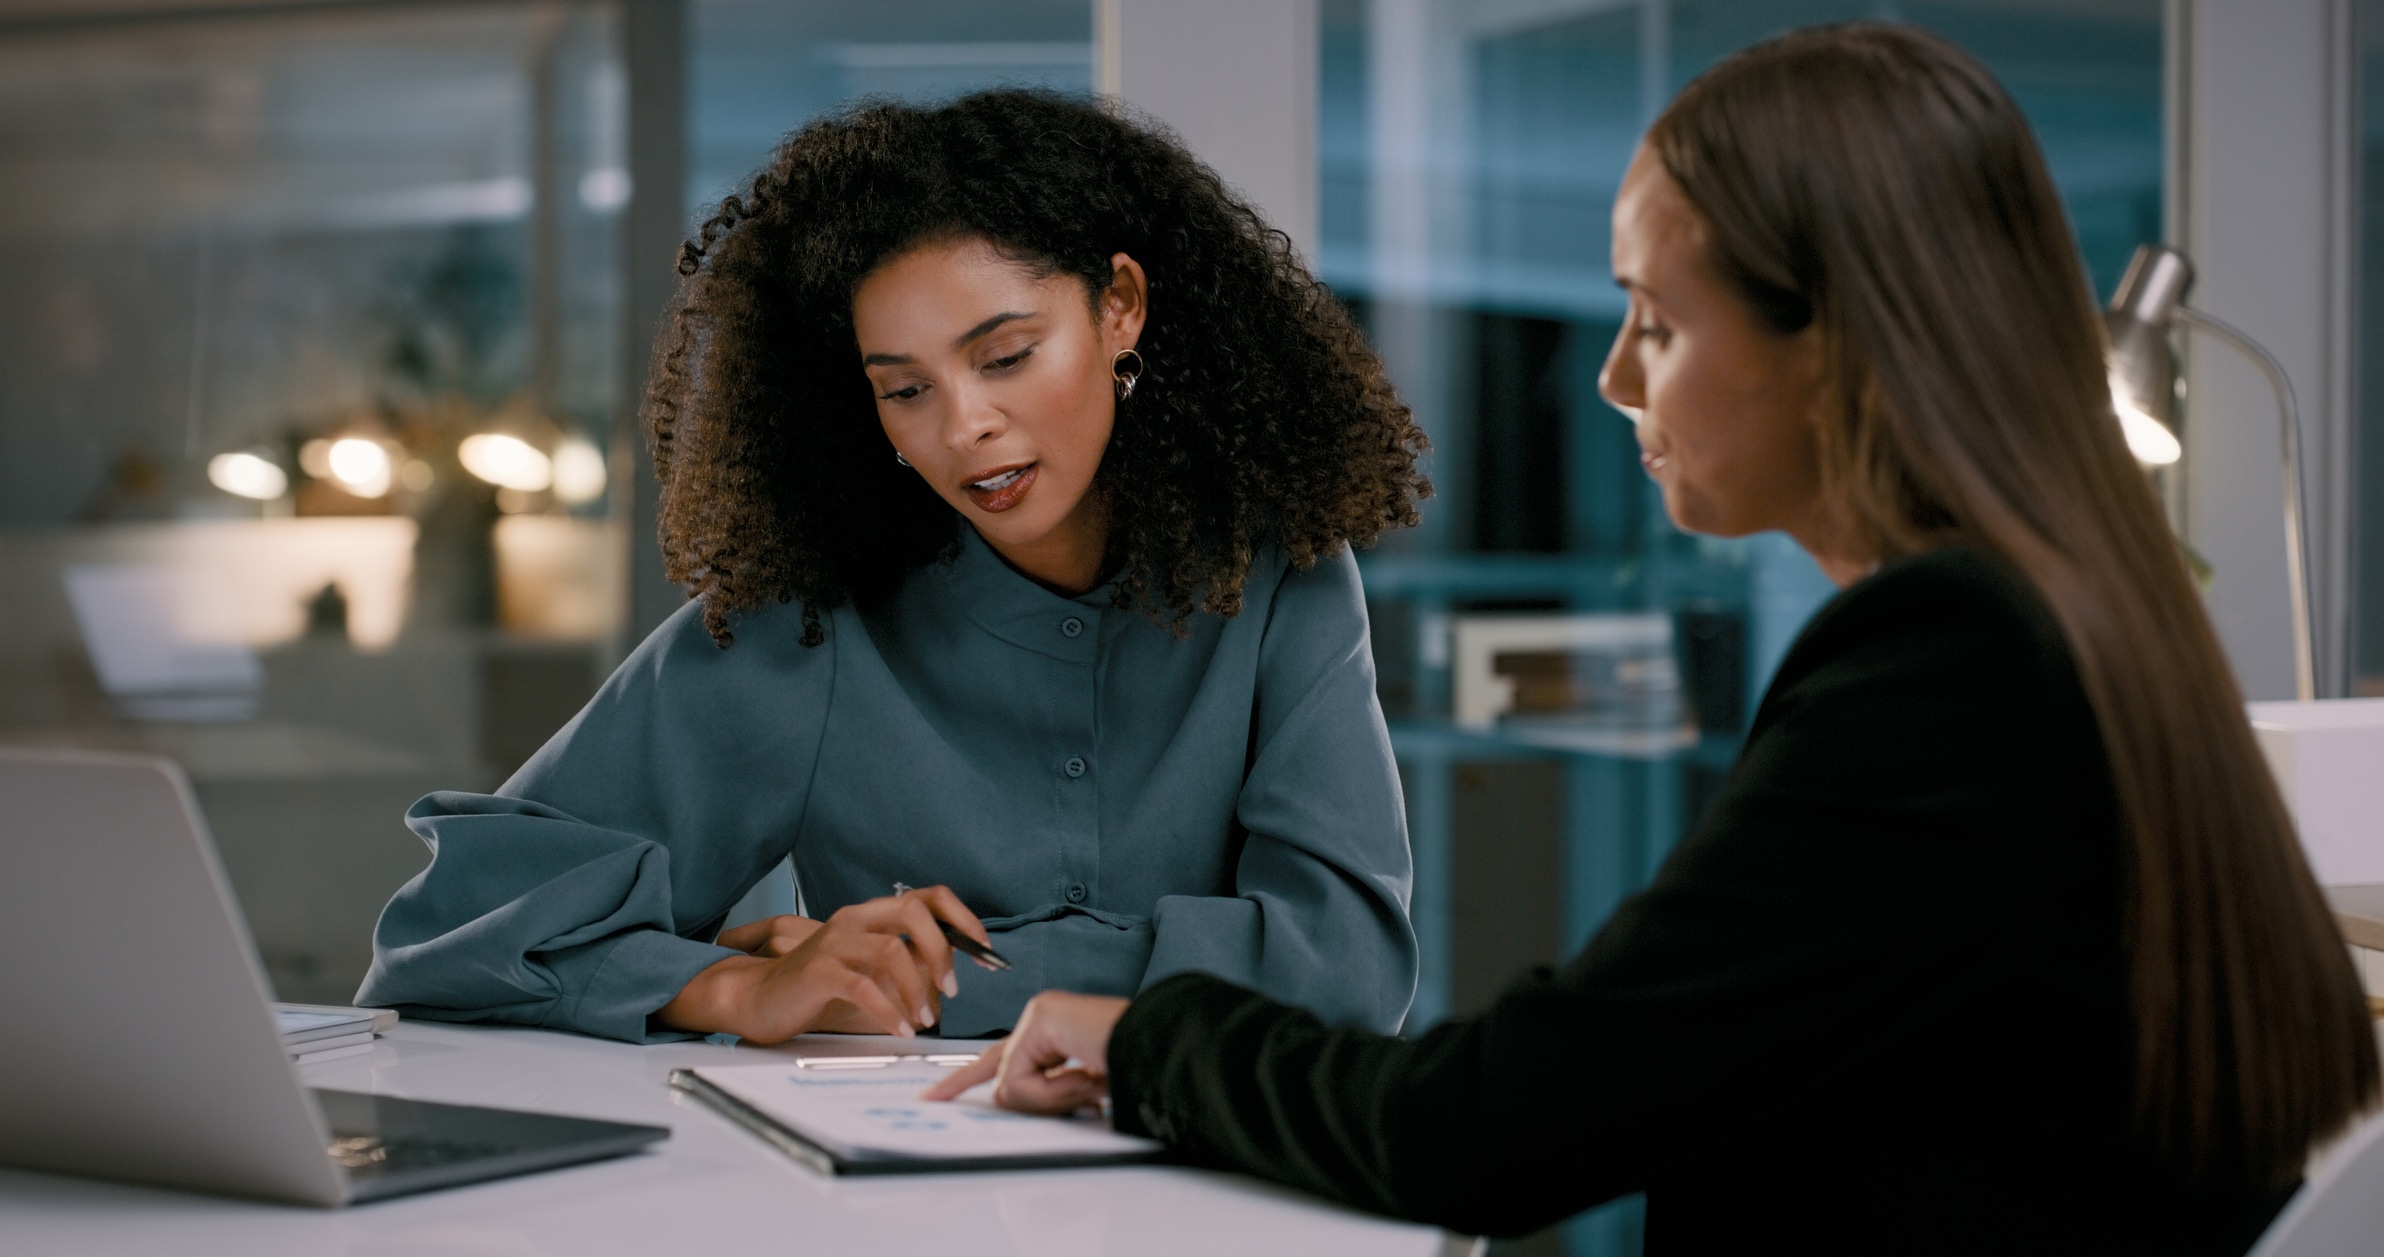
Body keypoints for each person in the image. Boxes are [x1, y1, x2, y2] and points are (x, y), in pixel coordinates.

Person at [931, 24, 2381, 1254]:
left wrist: (1149, 1039)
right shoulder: (2073, 622)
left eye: (1657, 321)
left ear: (1839, 346)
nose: (1617, 378)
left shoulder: (1954, 669)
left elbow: (1500, 1127)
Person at [356, 89, 1429, 1044]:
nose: (965, 425)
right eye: (903, 389)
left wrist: (939, 979)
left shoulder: (1280, 575)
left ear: (1118, 308)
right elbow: (446, 930)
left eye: (1005, 356)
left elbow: (1343, 973)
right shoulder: (818, 624)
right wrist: (728, 988)